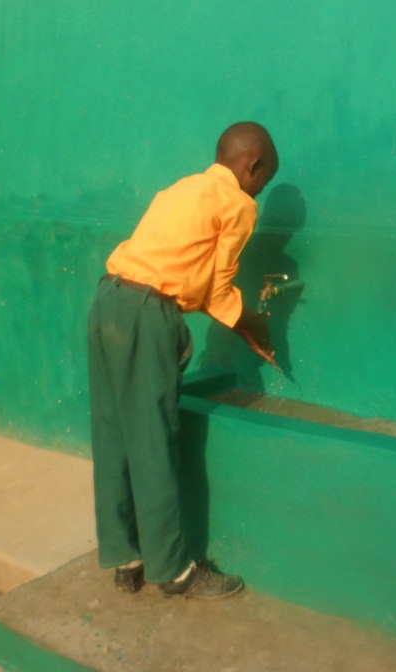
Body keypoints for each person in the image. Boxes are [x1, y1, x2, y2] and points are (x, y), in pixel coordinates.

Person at [87, 122, 278, 599]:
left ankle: (125, 557)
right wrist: (252, 324)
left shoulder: (181, 187)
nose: (260, 189)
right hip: (147, 312)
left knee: (113, 434)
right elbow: (218, 290)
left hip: (108, 299)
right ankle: (173, 571)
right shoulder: (237, 203)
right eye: (264, 179)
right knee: (153, 438)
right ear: (251, 167)